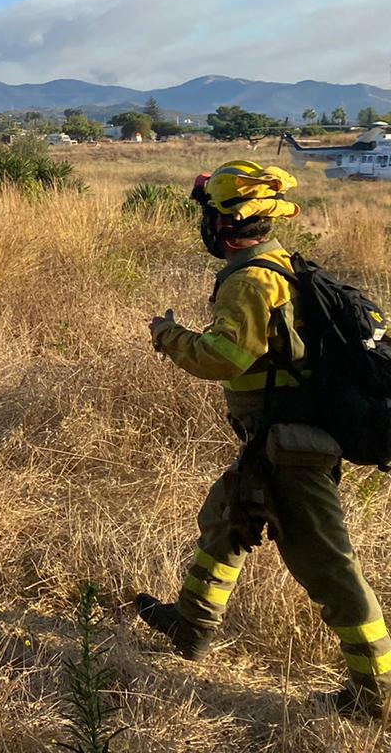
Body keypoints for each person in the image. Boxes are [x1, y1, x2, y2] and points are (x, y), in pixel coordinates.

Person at [137, 161, 390, 721]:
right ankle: (192, 624)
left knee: (330, 570)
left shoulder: (250, 282)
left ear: (225, 226)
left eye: (209, 215)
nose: (204, 225)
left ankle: (375, 697)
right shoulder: (280, 264)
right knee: (226, 517)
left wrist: (168, 335)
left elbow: (223, 359)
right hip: (275, 439)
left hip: (291, 449)